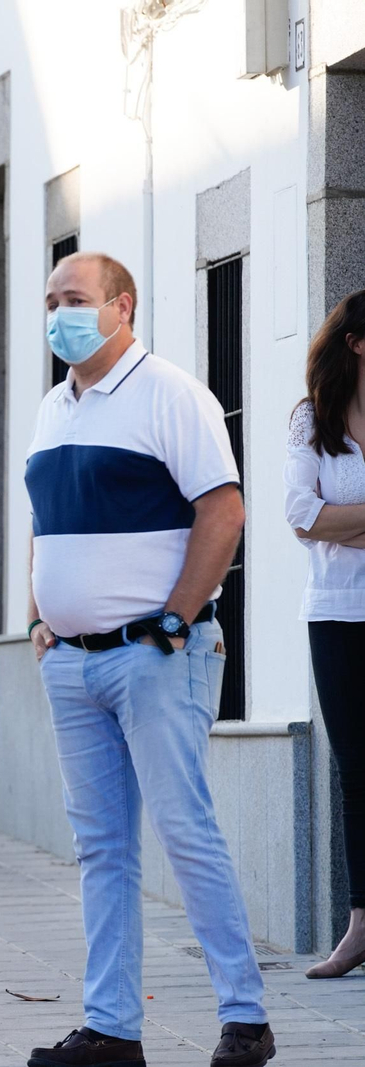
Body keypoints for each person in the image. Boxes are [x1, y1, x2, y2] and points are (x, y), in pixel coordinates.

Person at [26, 253, 271, 1067]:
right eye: (53, 299)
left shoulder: (172, 393)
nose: (61, 312)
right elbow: (50, 520)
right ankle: (111, 1029)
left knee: (184, 829)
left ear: (122, 307)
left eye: (78, 299)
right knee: (101, 847)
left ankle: (245, 1018)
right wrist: (42, 613)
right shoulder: (51, 409)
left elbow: (223, 509)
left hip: (156, 656)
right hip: (73, 665)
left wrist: (176, 618)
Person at [284, 289, 365, 980]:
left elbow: (325, 516)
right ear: (358, 343)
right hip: (338, 614)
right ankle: (360, 924)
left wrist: (347, 517)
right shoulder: (311, 421)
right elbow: (301, 514)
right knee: (357, 768)